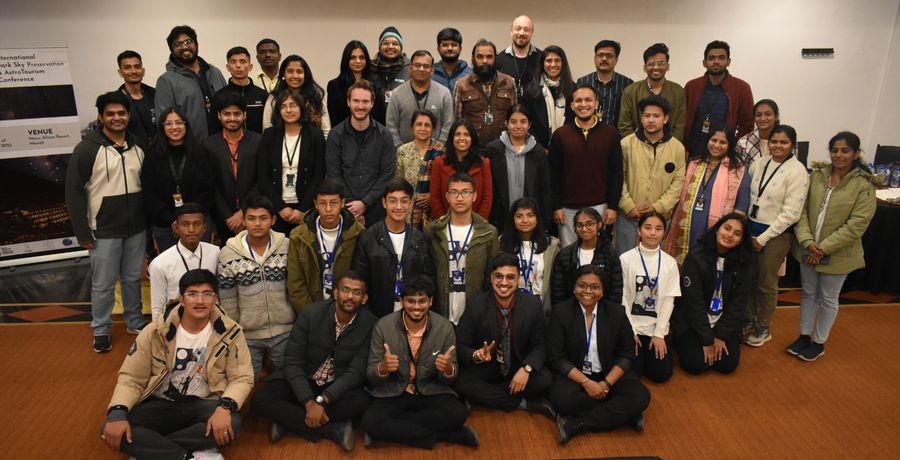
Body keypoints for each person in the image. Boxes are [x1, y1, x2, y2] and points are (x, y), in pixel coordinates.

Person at [100, 269, 253, 460]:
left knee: (233, 423)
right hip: (161, 403)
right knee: (110, 426)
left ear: (215, 299)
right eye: (192, 294)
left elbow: (242, 378)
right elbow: (131, 377)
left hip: (203, 404)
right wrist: (118, 413)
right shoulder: (155, 331)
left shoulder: (231, 332)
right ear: (181, 299)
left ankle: (154, 448)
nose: (200, 301)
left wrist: (224, 408)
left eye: (207, 294)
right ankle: (185, 456)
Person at [251, 271, 377, 451]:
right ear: (335, 293)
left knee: (362, 401)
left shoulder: (370, 323)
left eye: (356, 292)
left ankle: (288, 421)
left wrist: (321, 401)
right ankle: (334, 429)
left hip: (335, 387)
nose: (350, 296)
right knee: (260, 400)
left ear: (364, 298)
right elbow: (293, 362)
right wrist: (309, 403)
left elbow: (355, 373)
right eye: (345, 290)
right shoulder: (312, 313)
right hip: (304, 379)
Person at [65, 91, 147, 352]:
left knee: (133, 278)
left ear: (128, 115)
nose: (116, 118)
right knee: (103, 284)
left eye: (121, 113)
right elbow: (74, 192)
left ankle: (134, 320)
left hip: (136, 227)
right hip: (103, 230)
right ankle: (100, 329)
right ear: (101, 117)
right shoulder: (86, 149)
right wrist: (82, 231)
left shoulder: (139, 145)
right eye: (110, 114)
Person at [787, 132, 877, 361]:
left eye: (845, 150)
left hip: (838, 255)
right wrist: (808, 243)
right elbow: (802, 211)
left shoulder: (864, 185)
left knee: (828, 298)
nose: (838, 155)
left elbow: (856, 226)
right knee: (808, 294)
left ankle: (818, 341)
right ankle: (804, 336)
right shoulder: (817, 176)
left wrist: (823, 248)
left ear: (856, 154)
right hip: (808, 249)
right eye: (834, 150)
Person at [361, 275, 478, 449]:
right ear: (401, 301)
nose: (416, 307)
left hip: (430, 389)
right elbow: (372, 376)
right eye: (410, 301)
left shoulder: (444, 327)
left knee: (458, 413)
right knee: (369, 421)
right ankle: (450, 435)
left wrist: (447, 370)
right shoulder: (383, 326)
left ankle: (390, 430)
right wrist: (382, 369)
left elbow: (451, 378)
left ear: (431, 301)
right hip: (395, 390)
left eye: (422, 301)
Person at [547, 265, 650, 444]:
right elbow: (557, 359)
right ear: (574, 288)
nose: (588, 291)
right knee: (560, 399)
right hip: (576, 376)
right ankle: (625, 414)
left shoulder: (617, 313)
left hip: (610, 375)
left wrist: (605, 383)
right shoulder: (560, 313)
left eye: (595, 287)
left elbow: (627, 355)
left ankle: (578, 425)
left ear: (602, 291)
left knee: (641, 396)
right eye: (582, 285)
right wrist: (587, 383)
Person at [454, 253, 555, 416]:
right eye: (499, 276)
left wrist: (526, 368)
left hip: (517, 367)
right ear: (491, 278)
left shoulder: (533, 305)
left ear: (518, 279)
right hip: (487, 369)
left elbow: (541, 346)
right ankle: (523, 403)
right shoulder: (476, 304)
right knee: (461, 381)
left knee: (545, 378)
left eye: (510, 277)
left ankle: (481, 397)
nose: (504, 282)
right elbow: (460, 345)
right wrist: (476, 355)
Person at [744, 125, 809, 347]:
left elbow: (791, 213)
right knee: (749, 277)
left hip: (775, 234)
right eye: (774, 141)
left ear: (792, 145)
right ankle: (749, 319)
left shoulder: (798, 171)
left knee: (766, 283)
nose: (778, 146)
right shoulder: (760, 163)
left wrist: (762, 239)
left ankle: (764, 327)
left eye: (783, 142)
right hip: (750, 228)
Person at [218, 194, 294, 378]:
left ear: (273, 220)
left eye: (263, 218)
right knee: (245, 382)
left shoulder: (288, 247)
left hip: (285, 331)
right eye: (251, 218)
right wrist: (234, 333)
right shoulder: (228, 254)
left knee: (286, 379)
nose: (257, 224)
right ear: (243, 220)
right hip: (247, 335)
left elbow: (295, 288)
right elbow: (228, 299)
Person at [672, 214, 752, 374]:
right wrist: (707, 339)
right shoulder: (696, 258)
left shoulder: (745, 262)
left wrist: (721, 336)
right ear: (717, 229)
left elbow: (739, 302)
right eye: (727, 228)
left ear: (741, 240)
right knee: (695, 365)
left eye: (737, 233)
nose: (729, 235)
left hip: (723, 321)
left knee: (727, 365)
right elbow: (693, 304)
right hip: (694, 321)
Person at [664, 124, 751, 264]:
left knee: (706, 265)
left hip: (717, 228)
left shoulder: (737, 170)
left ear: (730, 145)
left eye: (723, 142)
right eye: (713, 140)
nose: (717, 145)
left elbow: (742, 203)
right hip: (687, 223)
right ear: (707, 141)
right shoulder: (695, 162)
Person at [549, 84, 623, 247]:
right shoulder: (560, 135)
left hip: (600, 206)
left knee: (597, 253)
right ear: (572, 105)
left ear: (596, 103)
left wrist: (612, 206)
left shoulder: (610, 134)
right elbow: (552, 175)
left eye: (588, 100)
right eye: (579, 100)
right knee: (569, 254)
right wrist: (556, 207)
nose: (583, 104)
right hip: (567, 209)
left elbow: (616, 173)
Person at [352, 177, 435, 318]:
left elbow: (428, 282)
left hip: (412, 314)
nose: (398, 207)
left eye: (404, 201)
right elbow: (359, 281)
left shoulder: (421, 240)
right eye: (393, 201)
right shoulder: (368, 238)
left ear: (410, 203)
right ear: (384, 203)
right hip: (376, 314)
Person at [616, 95, 686, 256]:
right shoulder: (626, 144)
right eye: (647, 116)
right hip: (628, 217)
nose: (651, 120)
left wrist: (657, 208)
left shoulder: (677, 148)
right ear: (641, 118)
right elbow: (618, 178)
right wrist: (628, 205)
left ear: (666, 119)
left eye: (656, 116)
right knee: (624, 262)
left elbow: (678, 183)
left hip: (659, 219)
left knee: (653, 265)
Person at [426, 172, 500, 324]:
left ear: (474, 196)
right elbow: (428, 273)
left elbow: (490, 277)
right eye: (454, 192)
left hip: (475, 314)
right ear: (447, 196)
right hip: (440, 312)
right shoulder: (434, 230)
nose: (459, 198)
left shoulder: (488, 232)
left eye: (465, 192)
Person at [619, 211, 681, 383]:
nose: (652, 233)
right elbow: (622, 297)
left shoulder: (670, 263)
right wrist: (630, 330)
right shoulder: (626, 259)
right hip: (632, 327)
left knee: (660, 375)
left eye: (658, 228)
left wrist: (659, 334)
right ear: (639, 231)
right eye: (647, 227)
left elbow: (669, 300)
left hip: (656, 328)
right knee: (633, 374)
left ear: (664, 232)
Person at [326, 80, 397, 227]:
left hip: (377, 210)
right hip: (345, 210)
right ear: (348, 102)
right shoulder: (335, 135)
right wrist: (354, 206)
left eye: (365, 101)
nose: (360, 106)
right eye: (356, 101)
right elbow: (334, 174)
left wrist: (364, 203)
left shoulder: (384, 135)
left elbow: (387, 174)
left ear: (372, 103)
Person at [142, 107, 213, 252]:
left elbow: (208, 188)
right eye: (168, 124)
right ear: (162, 127)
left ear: (186, 125)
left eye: (179, 122)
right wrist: (173, 221)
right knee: (172, 269)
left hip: (197, 223)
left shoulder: (200, 152)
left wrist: (188, 221)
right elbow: (149, 192)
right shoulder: (152, 155)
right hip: (165, 224)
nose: (174, 127)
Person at [287, 179, 365, 311]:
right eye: (323, 203)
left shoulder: (358, 233)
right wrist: (312, 316)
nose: (328, 209)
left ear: (342, 203)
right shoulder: (298, 236)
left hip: (348, 310)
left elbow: (362, 279)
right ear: (316, 204)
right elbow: (295, 284)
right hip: (311, 312)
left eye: (333, 203)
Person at [257, 90, 326, 234]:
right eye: (283, 106)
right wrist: (280, 207)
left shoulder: (315, 135)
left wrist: (302, 210)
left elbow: (318, 176)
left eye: (293, 105)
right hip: (276, 206)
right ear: (278, 111)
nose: (288, 110)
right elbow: (263, 176)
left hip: (305, 206)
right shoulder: (269, 135)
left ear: (301, 108)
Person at [203, 91, 262, 243]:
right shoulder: (208, 144)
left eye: (237, 114)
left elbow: (261, 179)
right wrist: (229, 217)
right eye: (227, 114)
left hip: (254, 213)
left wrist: (243, 212)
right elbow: (210, 184)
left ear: (244, 115)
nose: (232, 118)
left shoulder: (258, 141)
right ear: (219, 116)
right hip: (223, 217)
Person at [148, 203, 220, 321]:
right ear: (175, 227)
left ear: (205, 227)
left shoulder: (215, 253)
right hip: (177, 323)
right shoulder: (159, 264)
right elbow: (158, 308)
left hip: (211, 321)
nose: (191, 229)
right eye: (185, 224)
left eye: (197, 224)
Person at [485, 104, 551, 230]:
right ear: (507, 123)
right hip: (500, 217)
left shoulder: (538, 152)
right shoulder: (493, 150)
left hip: (529, 218)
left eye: (523, 122)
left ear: (530, 124)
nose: (518, 126)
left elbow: (545, 189)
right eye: (513, 122)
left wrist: (546, 220)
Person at [155, 25, 226, 140]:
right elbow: (164, 122)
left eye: (188, 42)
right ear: (172, 51)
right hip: (190, 149)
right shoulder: (166, 81)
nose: (184, 46)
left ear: (196, 44)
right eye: (177, 44)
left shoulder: (214, 72)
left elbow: (229, 106)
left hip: (222, 144)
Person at [684, 41, 755, 156]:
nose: (716, 61)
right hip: (693, 150)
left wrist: (733, 145)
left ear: (728, 62)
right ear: (704, 63)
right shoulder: (692, 86)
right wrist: (684, 146)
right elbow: (683, 119)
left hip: (724, 152)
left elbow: (747, 125)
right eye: (711, 58)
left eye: (721, 58)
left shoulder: (741, 88)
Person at [551, 207, 623, 306]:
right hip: (571, 312)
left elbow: (616, 292)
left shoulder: (610, 254)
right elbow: (558, 292)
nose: (584, 229)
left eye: (589, 224)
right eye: (579, 225)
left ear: (599, 225)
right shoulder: (565, 255)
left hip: (603, 313)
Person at [498, 198, 559, 311]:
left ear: (537, 218)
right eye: (519, 216)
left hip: (541, 309)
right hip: (510, 308)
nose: (525, 220)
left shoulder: (550, 246)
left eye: (530, 215)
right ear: (513, 219)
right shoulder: (501, 244)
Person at [453, 38, 517, 145]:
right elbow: (457, 122)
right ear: (473, 59)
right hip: (473, 148)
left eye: (489, 57)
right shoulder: (461, 85)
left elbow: (514, 118)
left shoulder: (509, 82)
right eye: (480, 57)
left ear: (495, 59)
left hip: (503, 147)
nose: (484, 61)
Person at [618, 43, 686, 141]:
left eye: (661, 63)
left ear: (668, 66)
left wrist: (668, 147)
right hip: (636, 149)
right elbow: (624, 125)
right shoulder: (630, 91)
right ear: (644, 68)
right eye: (651, 64)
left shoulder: (678, 91)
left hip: (668, 150)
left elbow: (679, 126)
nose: (656, 67)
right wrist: (637, 146)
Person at [386, 50, 453, 147]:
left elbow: (448, 124)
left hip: (435, 156)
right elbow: (391, 126)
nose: (421, 69)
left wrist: (438, 150)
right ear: (410, 68)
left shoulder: (444, 94)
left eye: (426, 66)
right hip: (404, 157)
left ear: (432, 70)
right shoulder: (397, 94)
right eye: (417, 65)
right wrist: (401, 151)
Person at [429, 119, 493, 219]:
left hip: (477, 226)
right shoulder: (439, 163)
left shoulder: (483, 163)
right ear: (451, 138)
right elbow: (435, 198)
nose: (462, 138)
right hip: (445, 224)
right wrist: (444, 224)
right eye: (457, 134)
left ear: (472, 139)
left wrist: (478, 224)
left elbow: (487, 198)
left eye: (466, 135)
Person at [394, 110, 444, 229]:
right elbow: (397, 183)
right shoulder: (402, 151)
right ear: (412, 128)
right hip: (408, 211)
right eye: (419, 124)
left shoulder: (441, 152)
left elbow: (446, 182)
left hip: (434, 211)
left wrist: (432, 196)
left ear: (433, 129)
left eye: (427, 125)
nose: (423, 128)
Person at [262, 55, 330, 136]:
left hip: (313, 146)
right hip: (280, 145)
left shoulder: (316, 97)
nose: (295, 76)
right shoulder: (274, 98)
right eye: (290, 71)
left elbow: (326, 131)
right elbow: (267, 128)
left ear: (305, 75)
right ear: (283, 74)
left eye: (299, 71)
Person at [525, 45, 575, 149]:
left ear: (563, 63)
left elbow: (575, 120)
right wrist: (539, 148)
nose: (553, 64)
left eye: (557, 60)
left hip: (567, 147)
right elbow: (527, 122)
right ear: (542, 64)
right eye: (549, 60)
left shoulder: (573, 89)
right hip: (538, 149)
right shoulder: (531, 90)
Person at [575, 40, 633, 128]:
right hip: (588, 136)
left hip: (617, 138)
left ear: (616, 60)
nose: (604, 58)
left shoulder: (627, 84)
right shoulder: (582, 82)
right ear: (595, 58)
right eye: (600, 55)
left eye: (609, 56)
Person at [326, 40, 385, 127]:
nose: (358, 61)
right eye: (353, 57)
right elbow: (334, 119)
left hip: (372, 137)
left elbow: (380, 119)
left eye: (362, 57)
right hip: (342, 136)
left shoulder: (376, 86)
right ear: (346, 60)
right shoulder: (334, 86)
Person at [214, 46, 268, 134]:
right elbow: (214, 128)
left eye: (243, 62)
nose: (238, 66)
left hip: (258, 145)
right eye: (233, 62)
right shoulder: (219, 96)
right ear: (228, 67)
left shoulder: (262, 95)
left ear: (250, 66)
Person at [116, 50, 156, 149]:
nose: (133, 71)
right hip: (132, 156)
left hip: (158, 154)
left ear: (143, 71)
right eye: (127, 68)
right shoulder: (116, 102)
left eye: (137, 67)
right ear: (120, 72)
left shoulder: (156, 94)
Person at [495, 15, 541, 99]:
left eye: (526, 29)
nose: (522, 33)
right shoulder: (498, 60)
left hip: (535, 111)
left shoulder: (542, 58)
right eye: (518, 28)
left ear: (532, 33)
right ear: (511, 31)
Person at [371, 26, 411, 123]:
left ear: (401, 47)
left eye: (395, 43)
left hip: (402, 124)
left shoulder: (411, 69)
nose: (390, 47)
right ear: (379, 46)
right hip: (374, 125)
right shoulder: (370, 69)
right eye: (385, 43)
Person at [735, 99, 786, 165]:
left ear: (776, 116)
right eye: (758, 115)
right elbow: (737, 172)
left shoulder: (786, 141)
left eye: (768, 114)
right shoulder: (743, 143)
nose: (763, 119)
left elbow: (793, 168)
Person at [432, 27, 472, 95]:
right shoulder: (430, 73)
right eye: (445, 45)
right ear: (438, 49)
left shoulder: (470, 74)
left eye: (454, 45)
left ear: (460, 49)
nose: (450, 48)